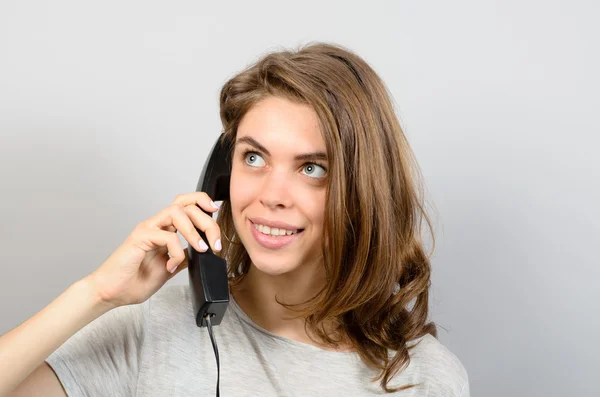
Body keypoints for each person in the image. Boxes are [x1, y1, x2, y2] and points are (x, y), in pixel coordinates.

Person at [1, 42, 469, 396]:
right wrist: (97, 294)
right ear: (222, 174)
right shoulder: (152, 329)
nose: (270, 196)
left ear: (363, 189)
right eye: (254, 158)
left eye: (312, 168)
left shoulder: (424, 377)